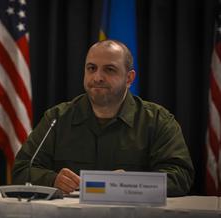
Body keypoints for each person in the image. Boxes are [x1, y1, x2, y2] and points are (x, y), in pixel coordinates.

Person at [12, 39, 195, 197]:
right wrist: (52, 180)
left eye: (109, 69)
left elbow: (180, 176)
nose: (97, 77)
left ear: (129, 78)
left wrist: (130, 182)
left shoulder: (157, 120)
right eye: (91, 68)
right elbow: (22, 170)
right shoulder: (57, 118)